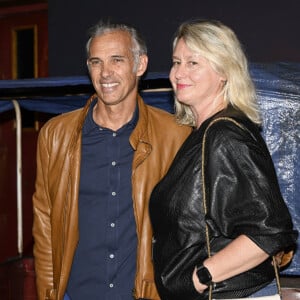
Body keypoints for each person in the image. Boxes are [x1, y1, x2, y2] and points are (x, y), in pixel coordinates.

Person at [32, 20, 191, 300]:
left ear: (140, 65)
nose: (105, 73)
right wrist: (48, 293)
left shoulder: (175, 134)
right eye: (96, 62)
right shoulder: (55, 135)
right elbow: (45, 225)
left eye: (117, 60)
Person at [149, 19, 298, 300]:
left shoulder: (224, 135)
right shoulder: (205, 134)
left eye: (193, 63)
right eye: (176, 62)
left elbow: (268, 233)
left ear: (224, 72)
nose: (179, 72)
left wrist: (201, 277)